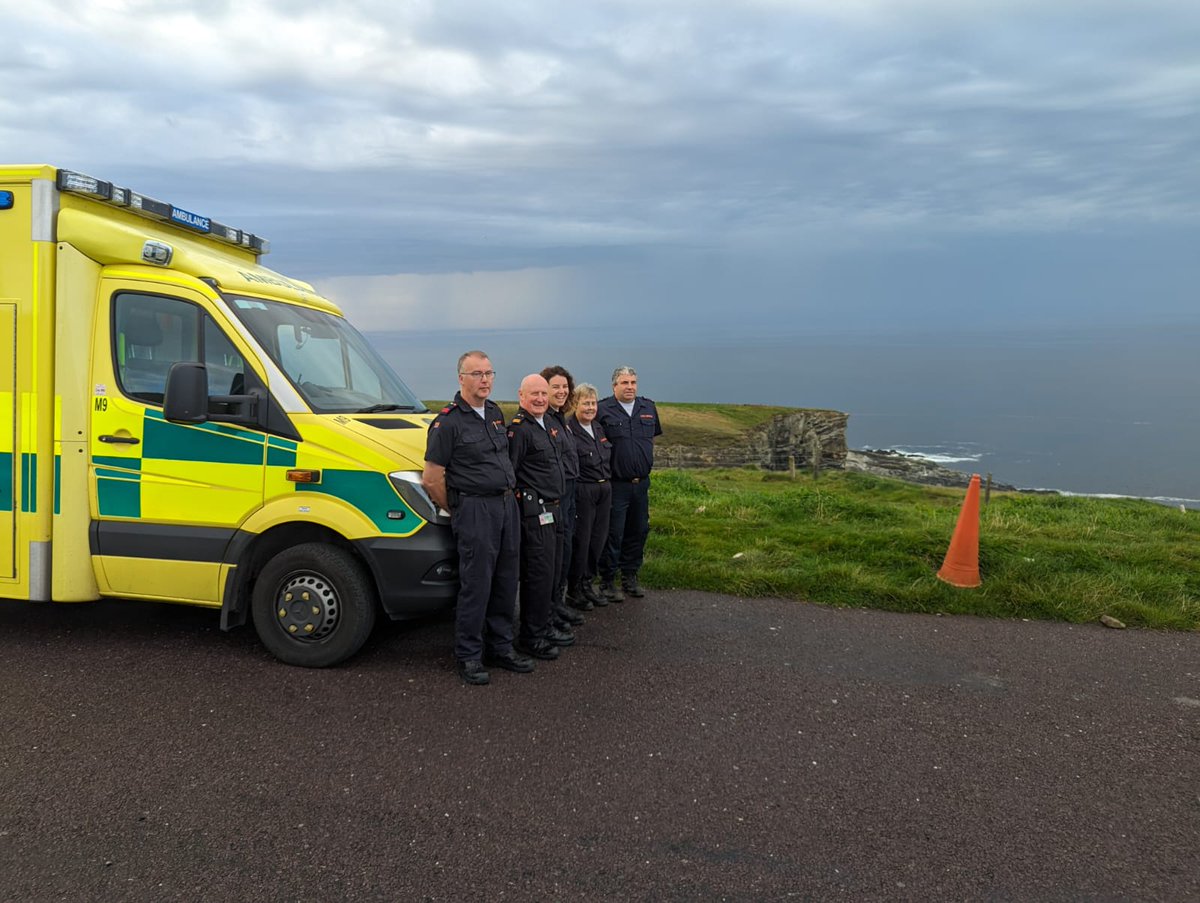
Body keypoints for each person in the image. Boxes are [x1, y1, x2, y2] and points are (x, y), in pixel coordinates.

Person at [423, 351, 534, 686]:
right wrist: (459, 509)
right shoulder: (448, 423)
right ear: (461, 379)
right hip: (475, 510)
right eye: (477, 374)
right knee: (477, 584)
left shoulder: (496, 414)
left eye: (489, 373)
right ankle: (469, 655)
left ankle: (501, 647)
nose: (485, 380)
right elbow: (432, 478)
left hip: (505, 507)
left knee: (505, 579)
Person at [508, 373, 576, 660]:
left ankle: (545, 625)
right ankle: (531, 636)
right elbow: (510, 474)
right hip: (536, 515)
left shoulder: (548, 423)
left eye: (543, 394)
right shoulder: (520, 429)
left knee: (552, 573)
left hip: (556, 509)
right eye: (533, 394)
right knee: (537, 575)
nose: (539, 399)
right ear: (521, 396)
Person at [596, 366, 661, 602]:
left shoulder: (648, 408)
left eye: (633, 382)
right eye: (624, 383)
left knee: (639, 530)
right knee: (613, 533)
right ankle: (607, 581)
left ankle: (630, 577)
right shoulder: (603, 410)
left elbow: (651, 439)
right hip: (616, 484)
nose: (630, 387)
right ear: (614, 386)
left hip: (641, 484)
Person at [541, 365, 584, 630]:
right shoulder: (542, 419)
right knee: (551, 555)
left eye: (564, 387)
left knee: (564, 551)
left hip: (568, 493)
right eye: (555, 386)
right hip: (553, 496)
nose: (561, 391)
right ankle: (546, 610)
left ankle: (557, 603)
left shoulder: (560, 419)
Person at [566, 383, 613, 609]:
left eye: (593, 403)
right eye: (586, 403)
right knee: (582, 542)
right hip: (583, 490)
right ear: (575, 404)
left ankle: (588, 583)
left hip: (604, 490)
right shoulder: (568, 429)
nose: (590, 407)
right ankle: (574, 590)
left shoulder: (598, 428)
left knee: (598, 541)